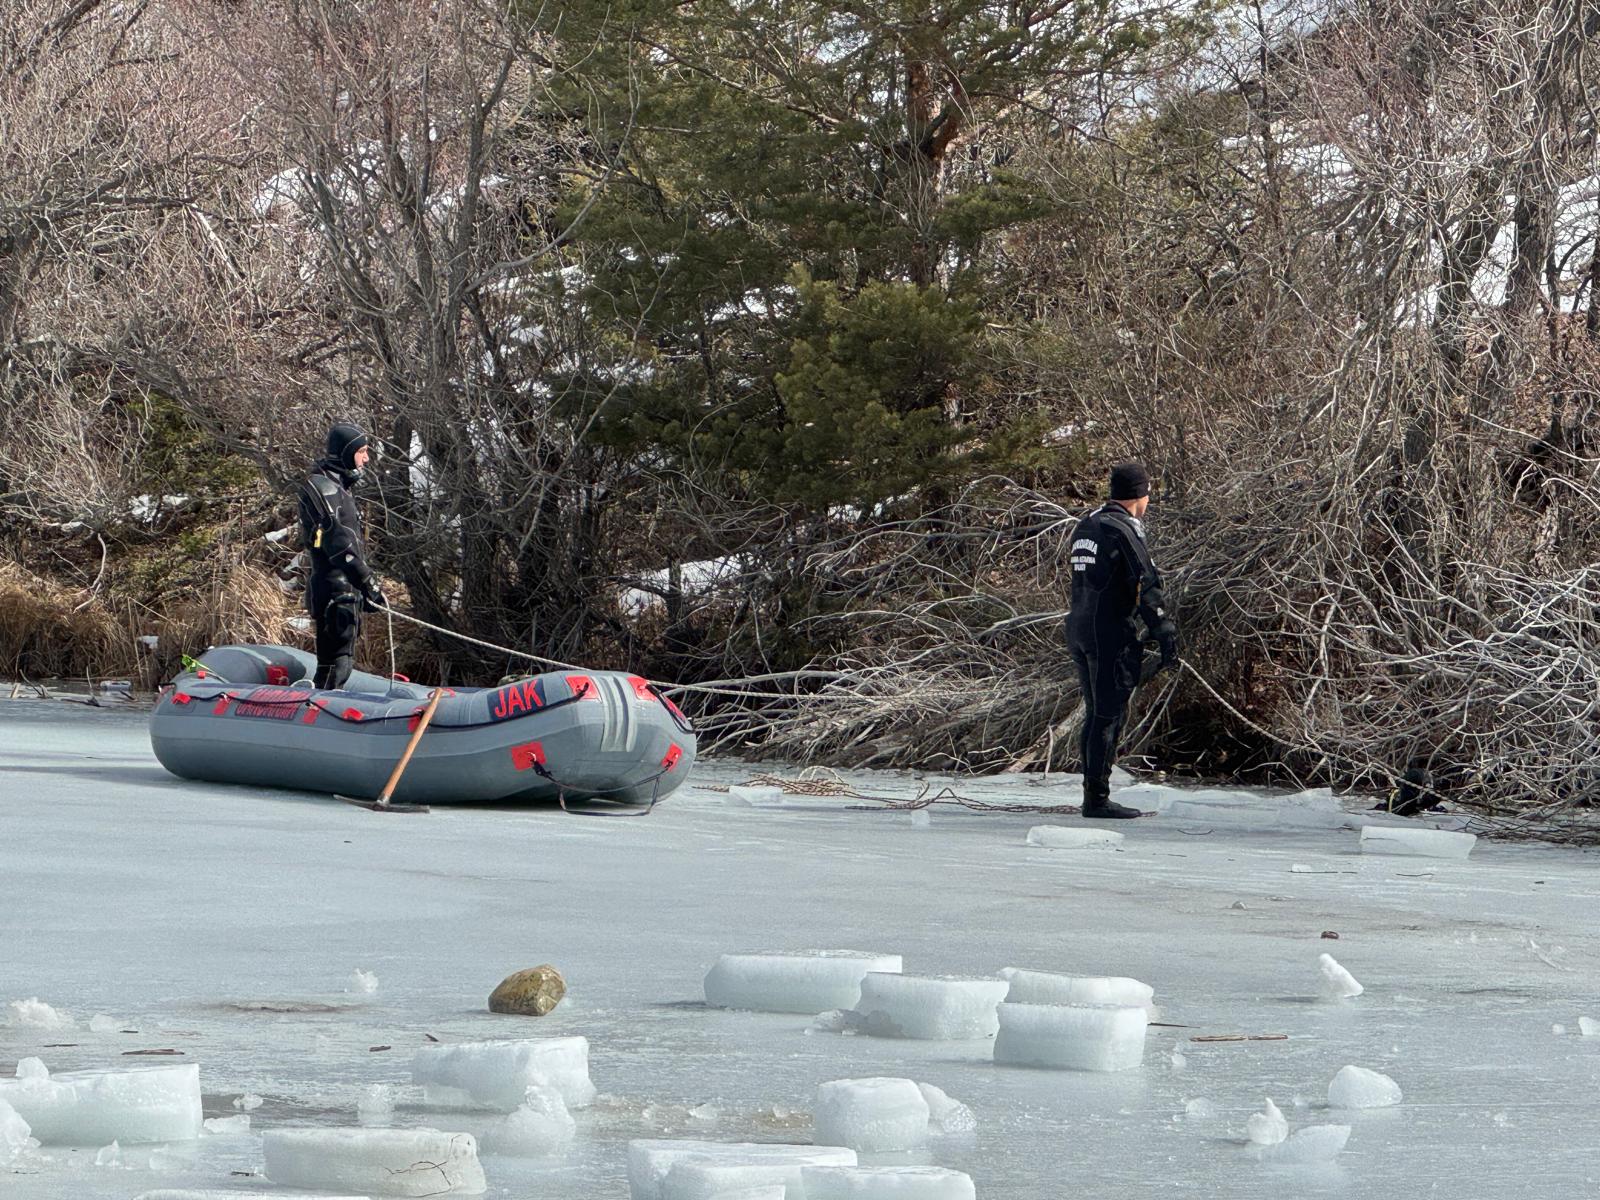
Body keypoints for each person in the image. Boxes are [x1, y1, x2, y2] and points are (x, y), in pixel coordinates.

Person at [1064, 462, 1178, 819]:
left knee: (1096, 714)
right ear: (1140, 495)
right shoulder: (1122, 530)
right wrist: (1164, 632)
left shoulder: (1088, 525)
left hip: (1079, 629)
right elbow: (1147, 584)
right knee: (1108, 716)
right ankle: (1096, 800)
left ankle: (1093, 795)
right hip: (1107, 633)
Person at [298, 423, 385, 690]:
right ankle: (314, 711)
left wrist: (363, 586)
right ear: (346, 452)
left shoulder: (339, 486)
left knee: (341, 663)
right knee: (336, 665)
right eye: (362, 451)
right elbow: (338, 545)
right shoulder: (322, 488)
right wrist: (366, 582)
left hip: (346, 590)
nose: (366, 458)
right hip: (334, 591)